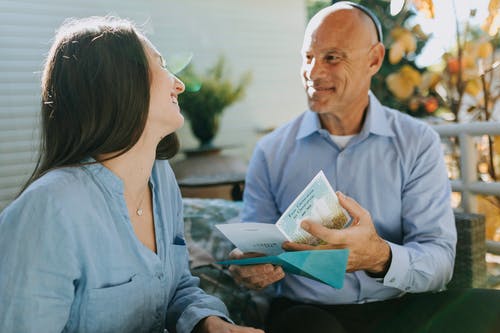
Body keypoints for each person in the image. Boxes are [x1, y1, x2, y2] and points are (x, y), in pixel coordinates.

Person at [229, 2, 500, 333]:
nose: (313, 72)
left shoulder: (417, 141)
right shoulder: (270, 151)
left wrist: (379, 257)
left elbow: (439, 260)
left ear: (374, 59)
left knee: (491, 307)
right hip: (308, 311)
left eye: (331, 57)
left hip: (399, 307)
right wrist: (249, 268)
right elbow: (254, 250)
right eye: (308, 57)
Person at [0, 16, 263, 333]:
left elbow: (177, 285)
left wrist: (209, 323)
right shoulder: (47, 212)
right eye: (161, 66)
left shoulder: (161, 179)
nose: (178, 84)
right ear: (121, 85)